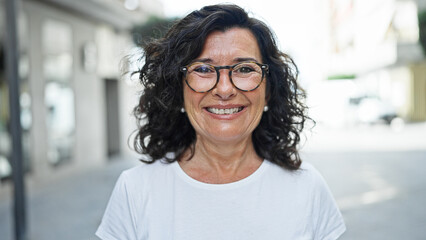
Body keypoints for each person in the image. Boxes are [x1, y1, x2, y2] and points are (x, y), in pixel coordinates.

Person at [96, 4, 346, 240]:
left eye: (245, 69)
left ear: (268, 90)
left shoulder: (307, 187)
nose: (224, 89)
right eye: (203, 70)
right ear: (178, 91)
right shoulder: (135, 190)